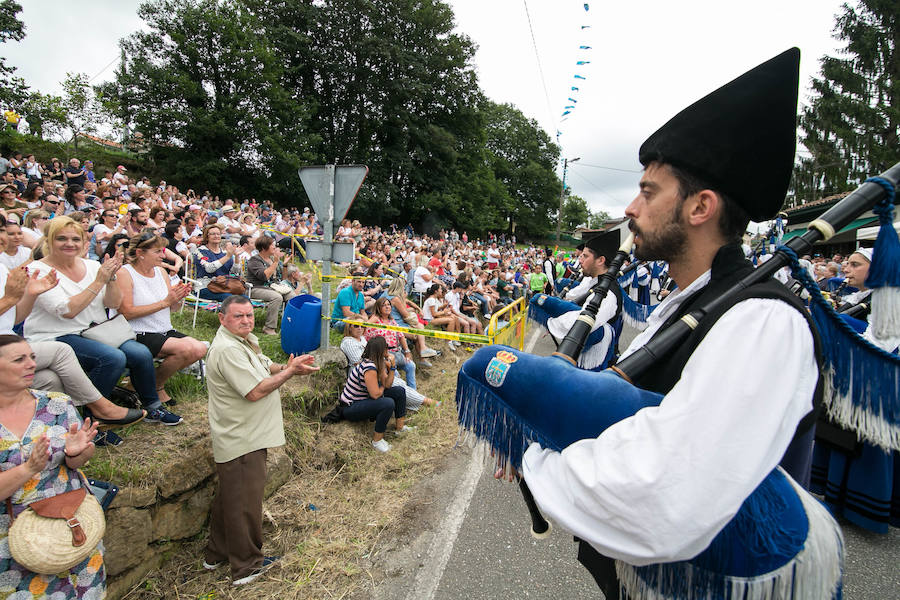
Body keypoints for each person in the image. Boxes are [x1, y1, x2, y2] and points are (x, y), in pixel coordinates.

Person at [518, 49, 841, 598]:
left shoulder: (763, 321)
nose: (630, 210)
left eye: (647, 192)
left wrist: (537, 458)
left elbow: (670, 493)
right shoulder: (688, 302)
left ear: (700, 208)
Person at [203, 295, 318, 586]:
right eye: (238, 316)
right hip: (242, 437)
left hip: (245, 434)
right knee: (245, 504)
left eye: (249, 315)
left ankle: (216, 554)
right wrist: (291, 373)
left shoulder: (243, 342)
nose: (246, 320)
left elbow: (267, 367)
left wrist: (289, 366)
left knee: (231, 498)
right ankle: (246, 566)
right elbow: (254, 391)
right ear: (222, 318)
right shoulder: (228, 349)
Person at [24, 217, 183, 426]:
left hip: (97, 331)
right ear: (49, 241)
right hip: (58, 334)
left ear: (83, 242)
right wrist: (100, 280)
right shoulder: (38, 270)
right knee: (112, 358)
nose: (70, 244)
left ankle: (152, 407)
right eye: (61, 238)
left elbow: (112, 302)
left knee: (141, 353)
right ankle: (94, 416)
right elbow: (67, 311)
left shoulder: (91, 266)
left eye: (75, 239)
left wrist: (111, 280)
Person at [0, 335, 106, 597]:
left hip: (69, 524)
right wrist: (27, 469)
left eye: (32, 357)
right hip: (15, 540)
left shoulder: (57, 403)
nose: (31, 364)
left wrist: (77, 454)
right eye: (19, 359)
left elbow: (77, 464)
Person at [116, 232, 207, 405]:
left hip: (163, 329)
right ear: (140, 253)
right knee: (186, 349)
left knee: (199, 349)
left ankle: (148, 383)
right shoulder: (125, 273)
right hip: (136, 331)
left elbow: (171, 307)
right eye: (157, 251)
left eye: (162, 250)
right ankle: (156, 387)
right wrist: (166, 302)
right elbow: (126, 312)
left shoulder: (161, 272)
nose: (163, 255)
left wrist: (178, 298)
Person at [340, 323, 437, 411]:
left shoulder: (362, 339)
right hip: (358, 393)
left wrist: (391, 366)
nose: (360, 328)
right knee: (395, 388)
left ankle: (420, 403)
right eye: (356, 326)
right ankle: (428, 403)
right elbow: (360, 362)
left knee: (401, 380)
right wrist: (383, 367)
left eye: (362, 326)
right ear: (349, 328)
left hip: (374, 369)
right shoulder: (349, 343)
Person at [339, 335, 411, 453]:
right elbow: (376, 395)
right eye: (386, 347)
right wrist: (382, 386)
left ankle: (400, 428)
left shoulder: (379, 363)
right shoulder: (369, 367)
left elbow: (387, 385)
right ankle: (377, 441)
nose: (388, 350)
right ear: (381, 350)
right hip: (350, 406)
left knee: (399, 391)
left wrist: (392, 368)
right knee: (387, 403)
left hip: (364, 399)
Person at [367, 297, 420, 385]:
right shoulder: (376, 319)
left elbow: (400, 335)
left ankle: (412, 391)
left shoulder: (391, 321)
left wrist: (407, 351)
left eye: (388, 305)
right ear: (378, 308)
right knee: (395, 374)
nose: (387, 307)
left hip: (396, 352)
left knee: (411, 365)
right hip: (382, 355)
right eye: (383, 305)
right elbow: (366, 328)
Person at [245, 236, 291, 335]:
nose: (275, 247)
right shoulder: (254, 260)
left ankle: (289, 323)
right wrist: (275, 263)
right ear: (264, 247)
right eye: (272, 245)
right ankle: (269, 327)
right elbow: (264, 276)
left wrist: (285, 265)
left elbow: (283, 279)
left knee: (291, 296)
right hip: (256, 288)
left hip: (273, 287)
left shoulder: (272, 259)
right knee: (276, 297)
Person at [193, 224, 237, 302]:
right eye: (213, 234)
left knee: (244, 298)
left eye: (218, 234)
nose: (216, 236)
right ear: (207, 236)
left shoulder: (224, 252)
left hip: (223, 286)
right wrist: (227, 257)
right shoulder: (200, 251)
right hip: (205, 287)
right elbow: (209, 268)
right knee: (230, 298)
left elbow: (235, 272)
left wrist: (237, 257)